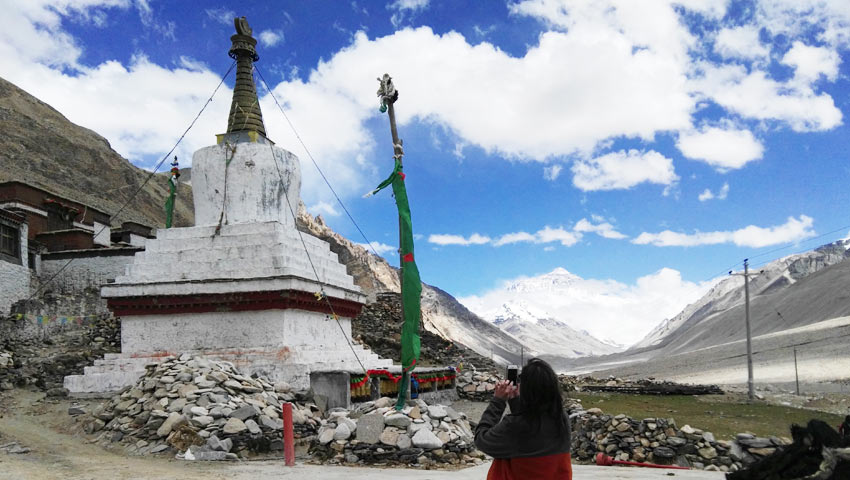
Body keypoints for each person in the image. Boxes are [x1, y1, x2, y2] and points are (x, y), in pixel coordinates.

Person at [474, 358, 572, 479]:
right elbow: (529, 431)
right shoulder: (561, 418)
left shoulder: (515, 426)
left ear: (527, 391)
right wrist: (515, 401)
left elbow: (482, 440)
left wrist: (498, 402)